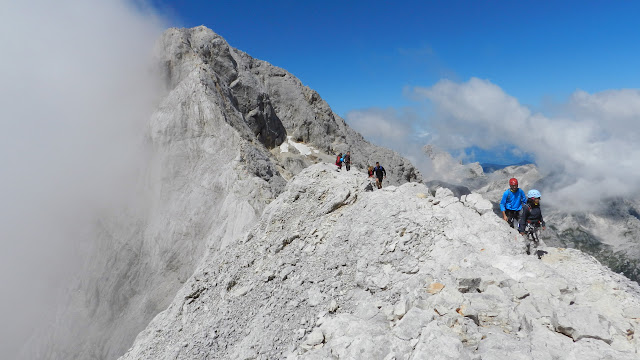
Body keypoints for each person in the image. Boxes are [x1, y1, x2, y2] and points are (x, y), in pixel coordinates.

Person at [519, 189, 546, 255]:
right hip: (530, 227)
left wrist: (543, 223)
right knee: (532, 241)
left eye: (538, 198)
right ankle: (532, 255)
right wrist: (521, 230)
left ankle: (531, 252)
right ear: (532, 199)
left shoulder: (537, 206)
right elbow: (523, 219)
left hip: (536, 226)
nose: (538, 200)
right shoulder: (527, 208)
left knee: (536, 241)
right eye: (537, 198)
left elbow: (539, 215)